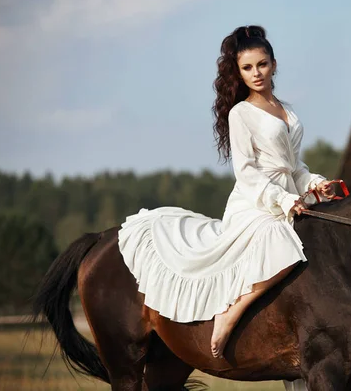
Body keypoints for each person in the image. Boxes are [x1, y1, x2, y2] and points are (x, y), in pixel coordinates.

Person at [118, 25, 335, 359]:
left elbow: (293, 166)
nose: (256, 73)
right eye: (247, 68)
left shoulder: (286, 110)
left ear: (274, 64)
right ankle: (230, 313)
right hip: (257, 204)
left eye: (261, 64)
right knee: (281, 242)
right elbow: (246, 171)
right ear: (239, 73)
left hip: (289, 197)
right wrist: (282, 199)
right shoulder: (241, 113)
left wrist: (313, 184)